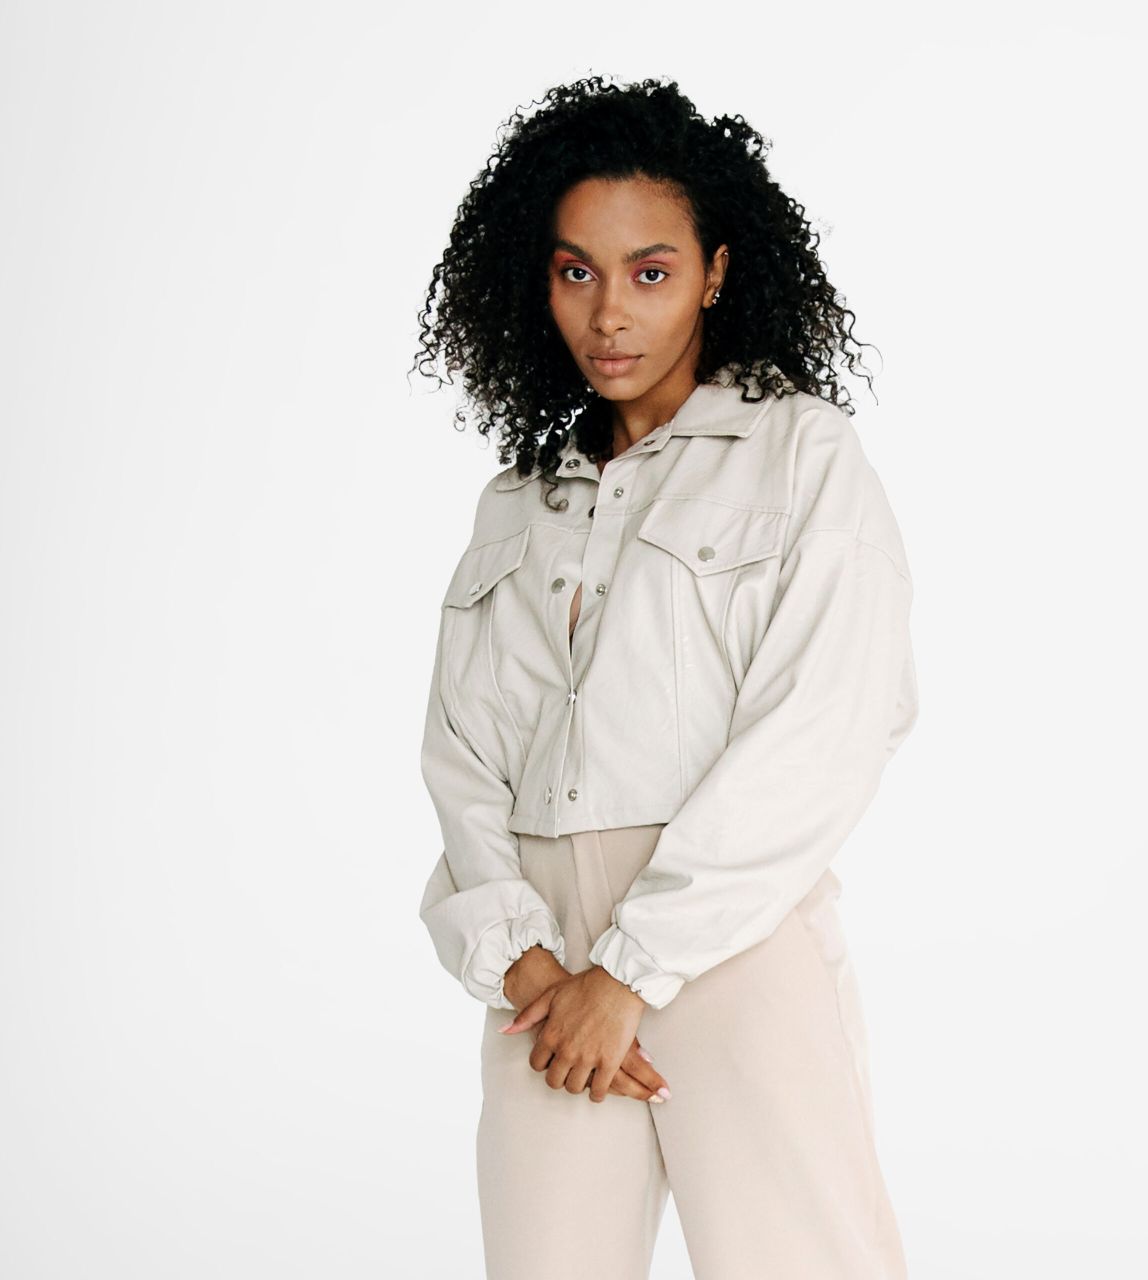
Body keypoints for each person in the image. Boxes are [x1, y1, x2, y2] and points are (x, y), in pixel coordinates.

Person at [411, 74, 920, 1280]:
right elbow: (460, 755)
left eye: (649, 271)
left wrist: (632, 968)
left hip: (727, 935)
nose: (608, 313)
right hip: (541, 958)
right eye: (574, 271)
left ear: (715, 273)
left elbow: (828, 723)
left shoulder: (796, 456)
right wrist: (523, 956)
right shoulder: (517, 503)